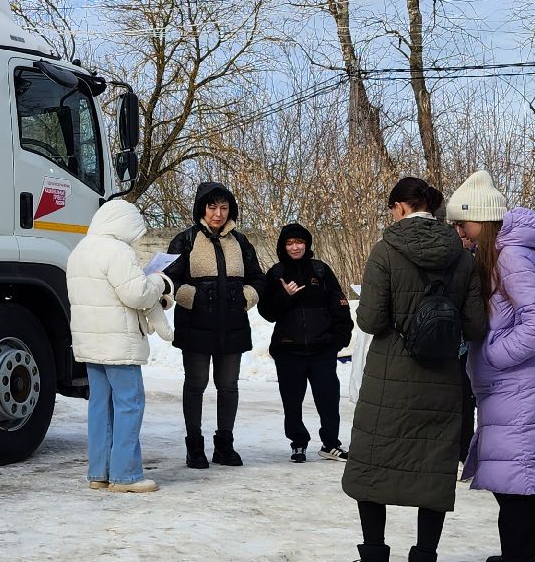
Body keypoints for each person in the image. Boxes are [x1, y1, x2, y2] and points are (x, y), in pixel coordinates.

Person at [335, 177, 487, 562]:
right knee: (432, 474)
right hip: (442, 380)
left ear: (401, 207)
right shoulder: (462, 256)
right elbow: (475, 325)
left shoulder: (386, 250)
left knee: (372, 470)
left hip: (390, 380)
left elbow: (370, 321)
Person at [446, 171, 535, 562]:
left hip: (515, 382)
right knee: (517, 472)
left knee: (516, 478)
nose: (458, 231)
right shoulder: (503, 252)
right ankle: (531, 554)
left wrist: (494, 356)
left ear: (483, 220)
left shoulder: (509, 255)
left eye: (463, 223)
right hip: (510, 385)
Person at [65, 198, 173, 494]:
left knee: (100, 406)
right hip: (118, 343)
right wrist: (158, 283)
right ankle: (126, 475)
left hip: (91, 342)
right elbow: (137, 295)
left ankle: (99, 472)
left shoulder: (80, 250)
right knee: (129, 403)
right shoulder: (117, 250)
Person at [164, 182, 264, 469]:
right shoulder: (185, 240)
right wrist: (190, 296)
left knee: (228, 386)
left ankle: (225, 446)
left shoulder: (241, 242)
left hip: (232, 326)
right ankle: (194, 447)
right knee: (195, 385)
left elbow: (259, 278)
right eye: (212, 207)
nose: (218, 214)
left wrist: (247, 297)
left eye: (223, 207)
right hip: (195, 325)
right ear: (202, 209)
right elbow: (169, 279)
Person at [259, 222, 353, 462]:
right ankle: (298, 443)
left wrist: (339, 339)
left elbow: (340, 306)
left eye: (299, 242)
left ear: (307, 244)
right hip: (288, 350)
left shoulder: (321, 270)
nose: (295, 247)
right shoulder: (276, 273)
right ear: (283, 246)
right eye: (290, 243)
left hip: (322, 349)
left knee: (328, 399)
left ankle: (330, 444)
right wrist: (285, 296)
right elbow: (267, 312)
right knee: (292, 401)